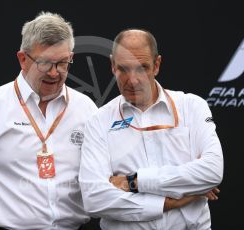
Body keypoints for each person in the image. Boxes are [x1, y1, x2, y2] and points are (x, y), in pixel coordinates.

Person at [0, 11, 98, 230]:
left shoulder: (86, 108)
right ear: (23, 59)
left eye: (63, 63)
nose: (54, 73)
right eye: (45, 64)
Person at [79, 29, 224, 229]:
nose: (133, 80)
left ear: (157, 65)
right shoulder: (99, 120)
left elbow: (212, 172)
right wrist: (169, 201)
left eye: (142, 68)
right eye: (123, 69)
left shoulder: (191, 106)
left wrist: (133, 182)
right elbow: (94, 198)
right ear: (112, 66)